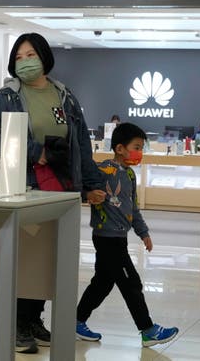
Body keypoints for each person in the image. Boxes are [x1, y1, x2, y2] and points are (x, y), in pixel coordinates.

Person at [0, 32, 106, 354]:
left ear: (44, 57)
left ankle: (35, 318)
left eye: (30, 55)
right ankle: (18, 325)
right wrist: (33, 151)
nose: (24, 62)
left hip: (61, 188)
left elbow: (81, 145)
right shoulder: (7, 96)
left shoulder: (64, 96)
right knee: (27, 255)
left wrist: (92, 185)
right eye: (19, 57)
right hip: (26, 185)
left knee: (51, 257)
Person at [76, 123, 179, 347]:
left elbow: (133, 208)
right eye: (136, 147)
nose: (139, 153)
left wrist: (144, 233)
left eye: (142, 148)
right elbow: (80, 188)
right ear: (120, 148)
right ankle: (148, 329)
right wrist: (89, 194)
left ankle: (76, 321)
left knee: (102, 283)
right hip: (106, 238)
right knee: (130, 282)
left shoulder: (130, 175)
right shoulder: (102, 170)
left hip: (120, 237)